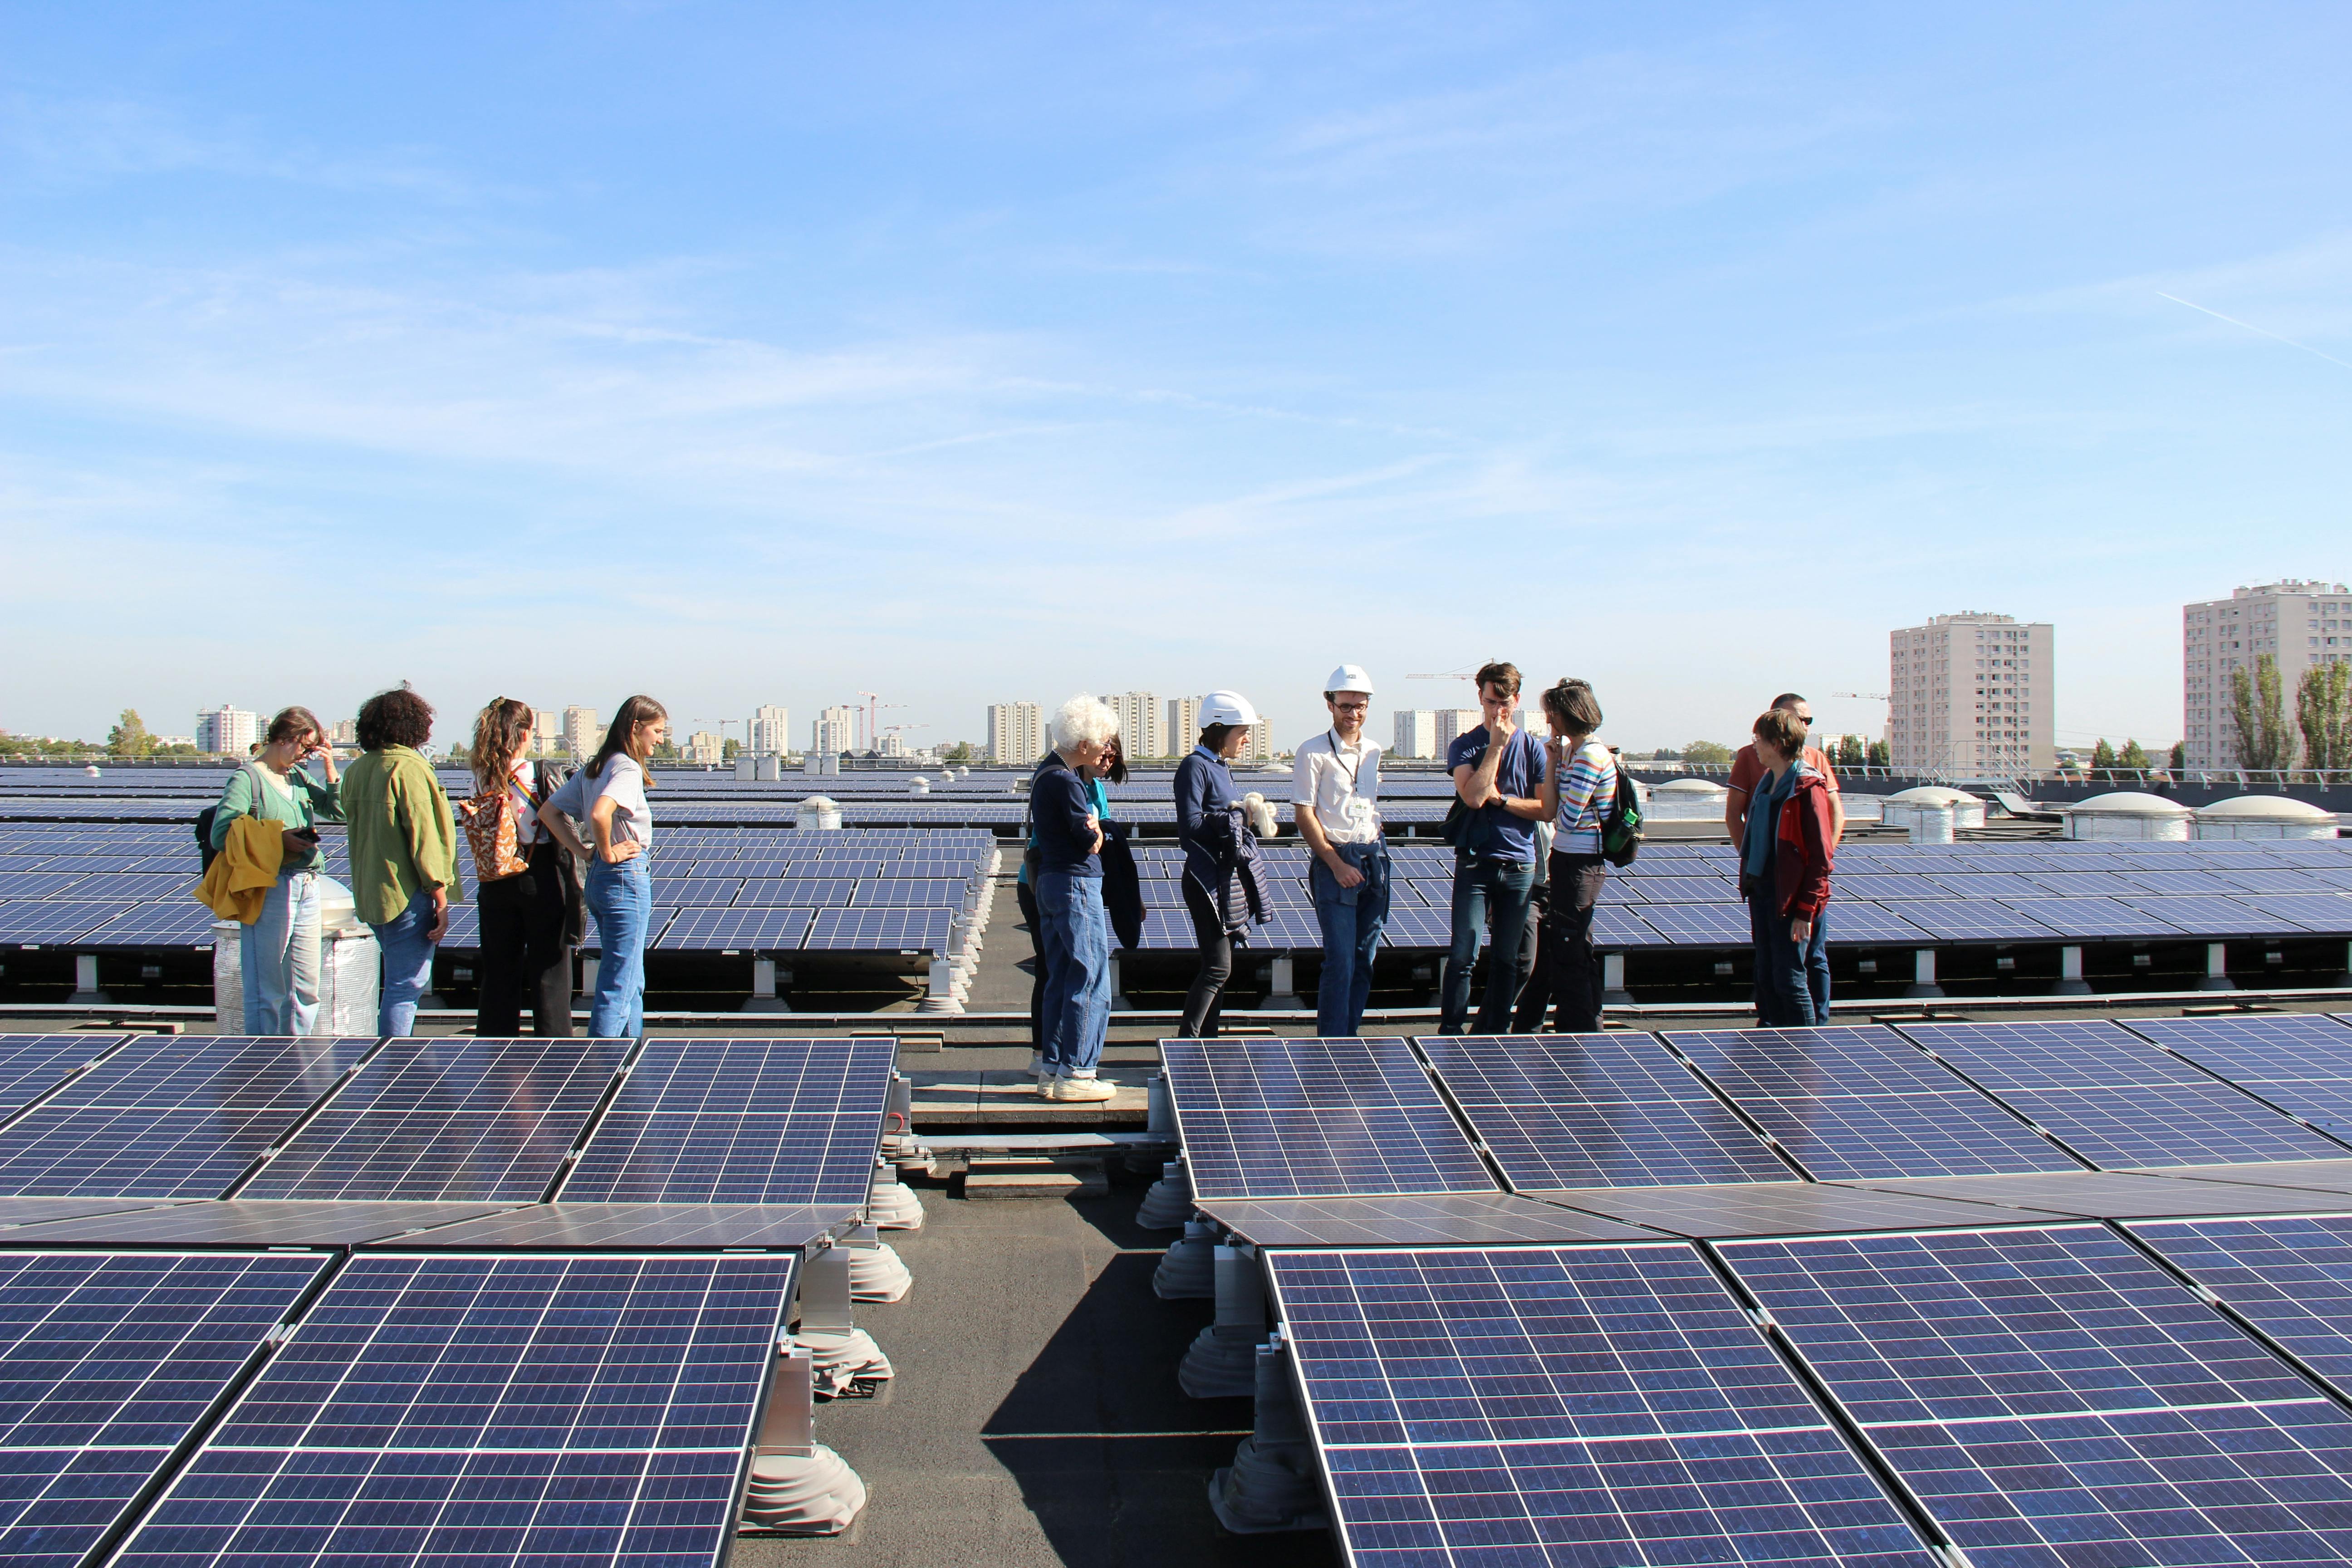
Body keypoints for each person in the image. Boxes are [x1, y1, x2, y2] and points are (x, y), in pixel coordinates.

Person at [208, 707, 343, 1034]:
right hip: (271, 887)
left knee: (305, 987)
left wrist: (330, 771)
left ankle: (296, 1055)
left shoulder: (297, 777)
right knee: (266, 985)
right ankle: (264, 1058)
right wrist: (278, 840)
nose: (306, 756)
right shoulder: (248, 779)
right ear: (285, 739)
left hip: (308, 885)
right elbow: (221, 834)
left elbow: (338, 812)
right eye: (305, 748)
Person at [540, 695, 666, 1039]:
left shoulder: (594, 767)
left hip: (600, 881)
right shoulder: (625, 767)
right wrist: (607, 851)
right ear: (636, 728)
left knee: (630, 977)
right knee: (620, 980)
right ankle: (600, 1065)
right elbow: (600, 814)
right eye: (657, 731)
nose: (660, 739)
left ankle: (627, 1054)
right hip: (625, 877)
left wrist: (585, 851)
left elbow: (549, 812)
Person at [340, 687, 459, 1038]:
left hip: (370, 892)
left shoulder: (358, 770)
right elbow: (427, 841)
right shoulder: (408, 770)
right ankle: (393, 1063)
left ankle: (389, 1059)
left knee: (395, 984)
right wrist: (440, 898)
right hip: (407, 894)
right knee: (405, 987)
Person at [1439, 662, 1548, 1035]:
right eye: (1490, 702)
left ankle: (1494, 1035)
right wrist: (1496, 748)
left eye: (1504, 702)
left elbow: (1545, 808)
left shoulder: (1534, 749)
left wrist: (1502, 802)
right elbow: (1471, 796)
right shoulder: (1465, 745)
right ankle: (1451, 1030)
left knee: (1508, 959)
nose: (1497, 710)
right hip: (1476, 865)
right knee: (1463, 955)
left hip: (1519, 866)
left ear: (1517, 700)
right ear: (1480, 699)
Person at [464, 697, 581, 1038]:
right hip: (539, 874)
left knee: (499, 971)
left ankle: (495, 1049)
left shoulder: (480, 776)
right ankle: (555, 1052)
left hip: (494, 880)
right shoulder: (538, 772)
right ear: (526, 733)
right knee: (550, 972)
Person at [1725, 692, 1845, 1021]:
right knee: (1768, 975)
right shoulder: (1768, 783)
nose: (1755, 746)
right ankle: (1774, 1049)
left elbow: (1820, 858)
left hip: (1790, 897)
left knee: (1791, 979)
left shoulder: (1806, 788)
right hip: (1764, 889)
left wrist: (1805, 910)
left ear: (1776, 744)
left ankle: (1805, 1054)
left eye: (1759, 740)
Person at [1029, 695, 1119, 1102]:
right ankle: (1079, 1073)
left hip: (1050, 881)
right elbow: (1090, 841)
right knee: (1091, 975)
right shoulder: (1067, 782)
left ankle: (1053, 1069)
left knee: (1062, 976)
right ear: (1083, 744)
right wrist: (1097, 828)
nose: (1106, 749)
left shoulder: (1045, 773)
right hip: (1075, 884)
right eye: (1102, 741)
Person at [1293, 665, 1388, 1038]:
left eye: (1361, 707)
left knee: (1365, 959)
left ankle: (1350, 1034)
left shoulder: (1374, 751)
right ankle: (1333, 1046)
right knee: (1341, 961)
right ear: (1330, 704)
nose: (1354, 714)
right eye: (1347, 706)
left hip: (1374, 858)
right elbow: (1304, 814)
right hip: (1337, 861)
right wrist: (1334, 864)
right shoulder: (1313, 752)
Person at [1174, 691, 1263, 1038]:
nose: (1245, 739)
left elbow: (1226, 823)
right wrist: (1237, 815)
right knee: (1217, 968)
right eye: (1241, 732)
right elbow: (1190, 828)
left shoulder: (1220, 768)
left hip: (1222, 880)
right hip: (1204, 880)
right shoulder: (1194, 767)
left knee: (1220, 970)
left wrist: (1244, 818)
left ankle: (1204, 1046)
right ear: (1218, 730)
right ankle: (1188, 1046)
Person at [1534, 679, 1617, 1035]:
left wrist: (1556, 772)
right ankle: (1576, 1020)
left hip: (1581, 861)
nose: (1548, 720)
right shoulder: (1572, 752)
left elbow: (1564, 816)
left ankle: (1581, 1025)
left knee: (1572, 945)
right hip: (1567, 856)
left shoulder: (1591, 755)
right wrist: (1554, 761)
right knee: (1570, 944)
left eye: (1551, 713)